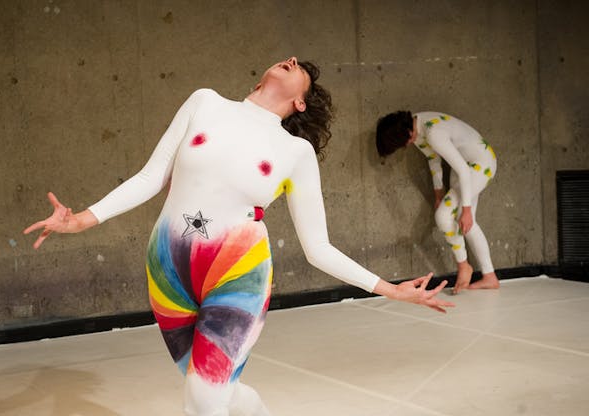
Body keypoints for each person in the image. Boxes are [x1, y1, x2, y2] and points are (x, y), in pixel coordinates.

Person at [24, 58, 454, 416]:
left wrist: (388, 290)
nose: (289, 59)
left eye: (300, 67)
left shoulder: (295, 153)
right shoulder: (204, 102)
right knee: (215, 390)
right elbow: (151, 176)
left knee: (203, 396)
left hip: (238, 275)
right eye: (287, 58)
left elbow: (317, 247)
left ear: (300, 101)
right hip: (168, 271)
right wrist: (82, 219)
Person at [376, 110, 500, 295]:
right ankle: (490, 277)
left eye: (402, 144)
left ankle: (464, 265)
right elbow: (434, 159)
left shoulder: (434, 133)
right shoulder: (417, 125)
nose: (406, 146)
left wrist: (465, 209)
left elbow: (464, 172)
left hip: (480, 165)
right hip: (465, 168)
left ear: (408, 134)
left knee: (444, 216)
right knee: (465, 223)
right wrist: (438, 195)